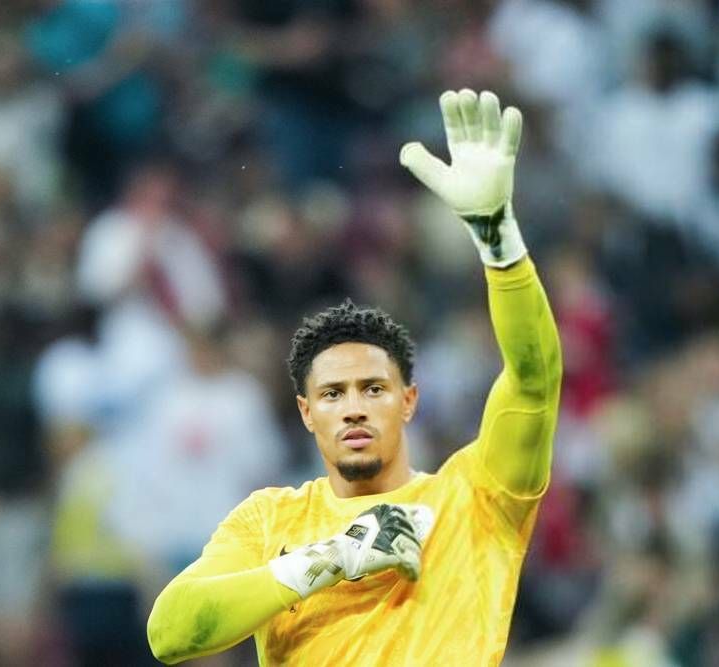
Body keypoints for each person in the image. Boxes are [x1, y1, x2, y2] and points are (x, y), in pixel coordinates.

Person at [147, 88, 563, 665]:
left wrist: (497, 237)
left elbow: (534, 380)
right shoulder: (270, 521)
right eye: (332, 394)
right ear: (305, 412)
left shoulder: (478, 500)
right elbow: (170, 632)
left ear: (409, 401)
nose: (354, 408)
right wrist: (331, 560)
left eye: (373, 389)